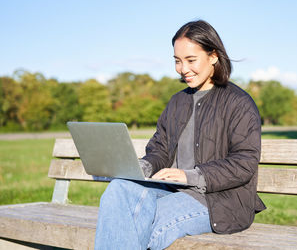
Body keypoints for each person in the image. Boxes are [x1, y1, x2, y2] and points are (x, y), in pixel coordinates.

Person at [94, 20, 266, 250]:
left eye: (191, 60)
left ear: (213, 56)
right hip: (171, 191)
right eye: (177, 61)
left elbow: (244, 163)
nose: (183, 69)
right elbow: (160, 150)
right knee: (120, 188)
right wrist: (142, 167)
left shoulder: (238, 103)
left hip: (218, 201)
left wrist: (190, 176)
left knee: (141, 226)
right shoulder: (177, 102)